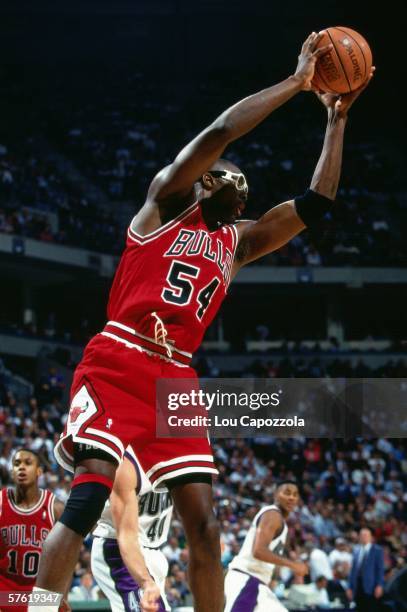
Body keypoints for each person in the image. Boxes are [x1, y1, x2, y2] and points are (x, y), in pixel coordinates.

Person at [31, 32, 374, 612]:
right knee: (87, 500)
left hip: (177, 380)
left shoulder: (236, 244)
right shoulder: (164, 202)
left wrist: (336, 121)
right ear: (203, 180)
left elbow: (316, 205)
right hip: (121, 356)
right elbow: (219, 134)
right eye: (222, 175)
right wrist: (298, 82)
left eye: (241, 185)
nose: (233, 183)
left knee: (208, 527)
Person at [91, 445, 172, 611]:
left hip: (153, 551)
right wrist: (145, 582)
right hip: (119, 551)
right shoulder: (126, 464)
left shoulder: (178, 457)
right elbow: (126, 538)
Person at [224, 481, 308, 611]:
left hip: (258, 584)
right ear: (275, 495)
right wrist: (293, 565)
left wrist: (273, 578)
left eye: (295, 494)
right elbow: (258, 551)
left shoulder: (282, 524)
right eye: (287, 493)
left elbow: (272, 555)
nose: (291, 497)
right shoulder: (272, 515)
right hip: (247, 579)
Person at [0, 449, 65, 612]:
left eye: (28, 463)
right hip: (4, 592)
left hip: (41, 594)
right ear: (12, 471)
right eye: (17, 464)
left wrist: (63, 595)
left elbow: (66, 557)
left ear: (39, 471)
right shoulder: (1, 503)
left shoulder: (55, 507)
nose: (21, 467)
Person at [347, 527, 384, 612]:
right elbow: (353, 570)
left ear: (371, 537)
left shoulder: (377, 550)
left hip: (371, 587)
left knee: (370, 609)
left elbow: (380, 570)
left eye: (366, 535)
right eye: (361, 535)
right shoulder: (356, 550)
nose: (363, 537)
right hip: (357, 586)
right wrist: (349, 587)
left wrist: (379, 585)